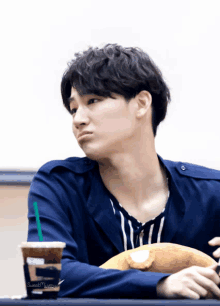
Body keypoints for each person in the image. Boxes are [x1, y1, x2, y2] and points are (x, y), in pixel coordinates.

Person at [27, 43, 220, 300]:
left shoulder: (213, 191)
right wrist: (160, 284)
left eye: (93, 101)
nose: (77, 119)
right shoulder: (54, 184)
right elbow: (45, 277)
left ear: (141, 103)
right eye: (74, 109)